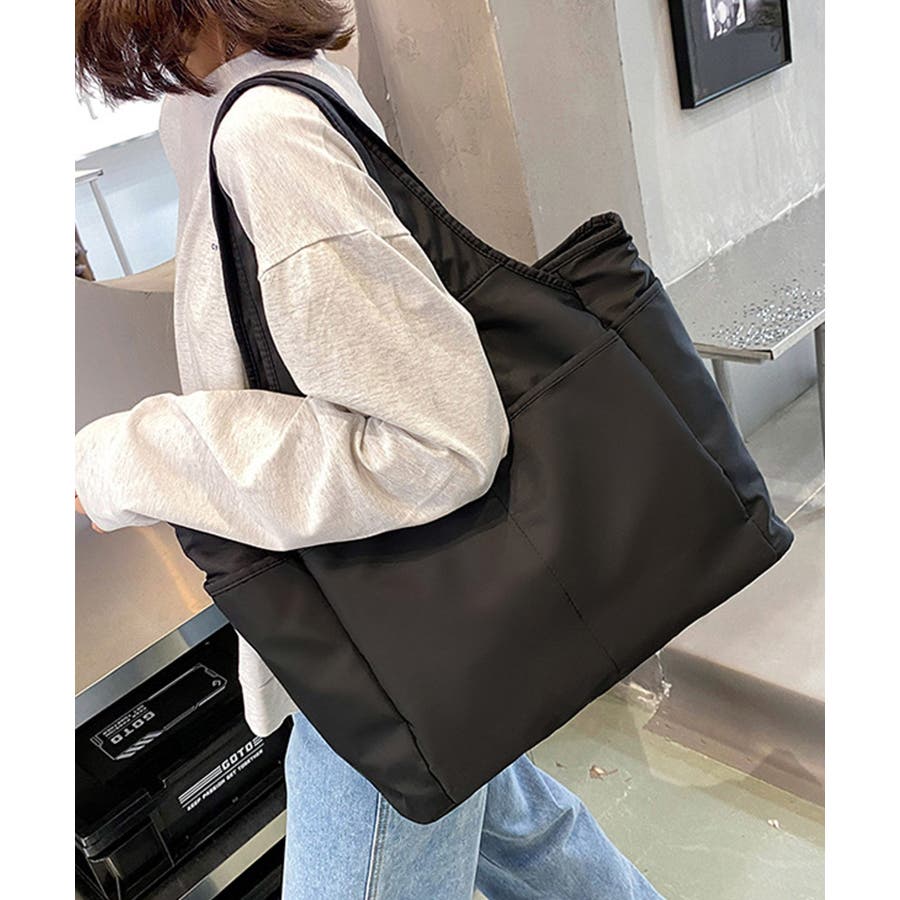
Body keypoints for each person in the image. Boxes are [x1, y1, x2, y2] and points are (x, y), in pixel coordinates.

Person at [74, 2, 664, 897]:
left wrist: (130, 457)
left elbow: (438, 445)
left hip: (385, 641)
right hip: (410, 626)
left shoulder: (268, 133)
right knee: (532, 844)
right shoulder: (251, 97)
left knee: (509, 835)